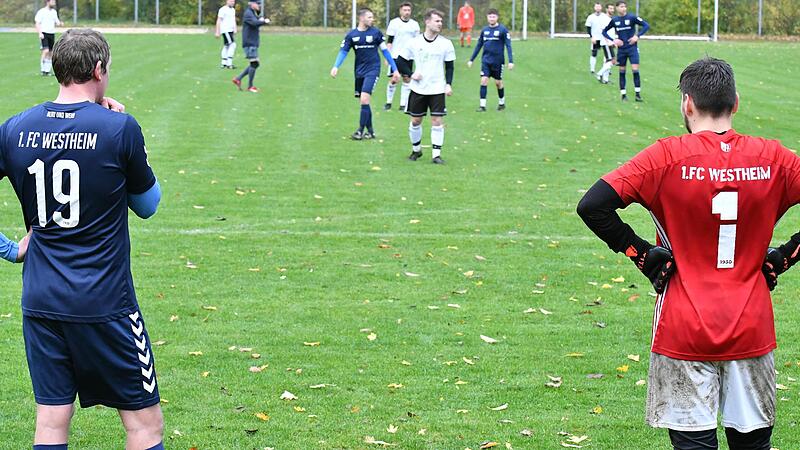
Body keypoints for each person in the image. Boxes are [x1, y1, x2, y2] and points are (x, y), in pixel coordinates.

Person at [577, 57, 800, 450]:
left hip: (682, 326)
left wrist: (642, 254)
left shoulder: (664, 157)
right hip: (750, 325)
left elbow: (592, 205)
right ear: (736, 102)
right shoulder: (774, 158)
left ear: (687, 104)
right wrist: (784, 256)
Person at [0, 28, 164, 449]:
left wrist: (8, 249)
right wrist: (123, 135)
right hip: (105, 302)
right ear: (98, 69)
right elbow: (148, 205)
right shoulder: (119, 128)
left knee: (52, 422)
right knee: (145, 425)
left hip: (41, 300)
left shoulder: (15, 129)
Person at [330, 8, 400, 140]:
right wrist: (336, 66)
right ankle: (371, 132)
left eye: (372, 17)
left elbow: (385, 52)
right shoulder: (352, 35)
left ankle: (360, 131)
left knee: (364, 99)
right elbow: (343, 51)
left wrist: (395, 69)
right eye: (369, 17)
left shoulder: (376, 33)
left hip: (373, 70)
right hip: (359, 72)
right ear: (361, 18)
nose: (372, 20)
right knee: (364, 102)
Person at [397, 9, 455, 164]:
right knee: (416, 121)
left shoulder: (446, 44)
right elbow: (400, 61)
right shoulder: (414, 42)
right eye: (437, 21)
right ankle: (416, 150)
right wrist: (411, 73)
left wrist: (448, 84)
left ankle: (436, 155)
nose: (440, 24)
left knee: (437, 121)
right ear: (427, 22)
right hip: (418, 89)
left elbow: (449, 67)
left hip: (437, 88)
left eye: (441, 21)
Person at [468, 8, 513, 112]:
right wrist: (471, 59)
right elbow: (479, 45)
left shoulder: (503, 30)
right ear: (487, 18)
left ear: (497, 18)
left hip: (498, 61)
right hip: (486, 61)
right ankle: (482, 106)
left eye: (493, 16)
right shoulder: (484, 30)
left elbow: (508, 45)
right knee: (484, 81)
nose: (492, 18)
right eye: (490, 16)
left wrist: (510, 61)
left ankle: (502, 103)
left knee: (498, 83)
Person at [602, 0, 648, 101]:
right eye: (621, 7)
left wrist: (637, 36)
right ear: (617, 8)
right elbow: (604, 31)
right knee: (622, 71)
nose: (624, 8)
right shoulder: (615, 20)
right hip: (622, 50)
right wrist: (614, 40)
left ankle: (638, 94)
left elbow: (646, 25)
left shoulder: (631, 17)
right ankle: (623, 95)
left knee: (635, 70)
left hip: (632, 49)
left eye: (625, 7)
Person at [383, 2, 420, 111]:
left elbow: (417, 43)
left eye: (408, 10)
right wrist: (387, 57)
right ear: (400, 11)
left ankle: (403, 104)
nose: (407, 12)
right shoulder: (394, 23)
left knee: (407, 78)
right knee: (395, 78)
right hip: (395, 55)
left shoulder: (414, 25)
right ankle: (388, 102)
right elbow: (390, 41)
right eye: (405, 10)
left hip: (409, 57)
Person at [233, 0, 270, 93]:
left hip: (252, 42)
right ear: (252, 4)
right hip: (249, 42)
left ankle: (238, 78)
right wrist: (264, 21)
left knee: (254, 63)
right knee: (254, 63)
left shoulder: (252, 12)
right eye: (258, 4)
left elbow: (257, 20)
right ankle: (250, 86)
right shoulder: (248, 13)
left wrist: (260, 17)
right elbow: (254, 23)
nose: (259, 6)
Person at [34, 0, 63, 76]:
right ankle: (42, 69)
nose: (54, 3)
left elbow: (57, 22)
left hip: (51, 33)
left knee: (51, 52)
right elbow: (37, 23)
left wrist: (60, 23)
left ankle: (47, 70)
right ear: (48, 2)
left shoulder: (54, 12)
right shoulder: (42, 12)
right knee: (45, 50)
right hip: (44, 33)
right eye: (52, 1)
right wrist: (40, 33)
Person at [595, 3, 618, 84]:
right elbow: (603, 31)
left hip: (611, 42)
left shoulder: (611, 19)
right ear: (606, 9)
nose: (612, 10)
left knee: (607, 61)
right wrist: (608, 42)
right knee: (613, 60)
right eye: (610, 8)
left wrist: (614, 41)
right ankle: (599, 74)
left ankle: (605, 79)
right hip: (606, 43)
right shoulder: (603, 18)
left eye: (613, 8)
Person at [585, 2, 607, 75]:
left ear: (601, 8)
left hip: (604, 38)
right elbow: (588, 28)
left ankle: (606, 69)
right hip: (595, 38)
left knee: (606, 53)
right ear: (594, 8)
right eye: (596, 7)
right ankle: (592, 69)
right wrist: (591, 37)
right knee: (594, 53)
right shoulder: (590, 17)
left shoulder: (605, 16)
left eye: (599, 7)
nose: (598, 8)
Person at [215, 0, 237, 69]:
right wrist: (217, 31)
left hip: (230, 30)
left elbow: (233, 20)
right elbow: (219, 20)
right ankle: (229, 63)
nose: (232, 2)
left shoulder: (233, 10)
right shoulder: (223, 9)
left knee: (227, 45)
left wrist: (235, 28)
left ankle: (224, 63)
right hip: (225, 30)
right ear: (227, 1)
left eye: (233, 1)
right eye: (231, 1)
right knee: (232, 44)